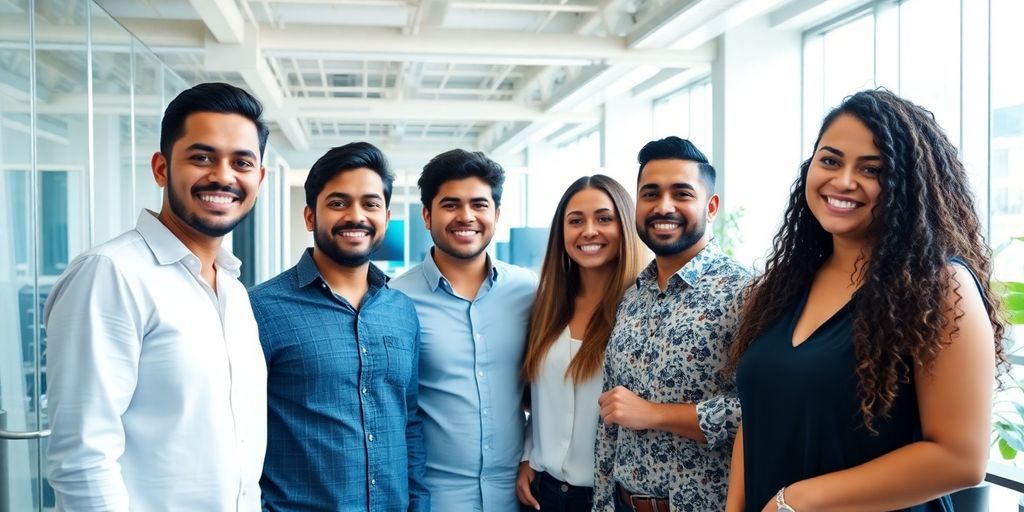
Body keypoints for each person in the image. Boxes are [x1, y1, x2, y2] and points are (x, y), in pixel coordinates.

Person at [725, 89, 1003, 512]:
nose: (843, 181)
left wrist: (797, 500)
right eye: (831, 160)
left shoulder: (941, 288)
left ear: (907, 186)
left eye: (872, 169)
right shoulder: (780, 287)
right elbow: (759, 415)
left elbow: (959, 460)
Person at [43, 82, 269, 511]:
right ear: (162, 168)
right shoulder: (111, 274)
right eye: (202, 157)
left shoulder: (236, 292)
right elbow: (82, 459)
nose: (223, 175)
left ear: (258, 178)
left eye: (241, 162)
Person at [249, 142, 427, 511]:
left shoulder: (402, 311)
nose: (356, 216)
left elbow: (408, 421)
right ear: (310, 217)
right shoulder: (259, 309)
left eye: (370, 203)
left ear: (386, 216)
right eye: (338, 202)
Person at [593, 136, 750, 512]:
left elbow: (764, 410)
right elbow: (611, 417)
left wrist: (655, 414)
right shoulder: (632, 296)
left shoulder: (747, 292)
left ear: (711, 206)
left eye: (681, 193)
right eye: (650, 194)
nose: (663, 206)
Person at [390, 149, 537, 512]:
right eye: (451, 205)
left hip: (518, 497)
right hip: (434, 499)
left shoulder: (529, 290)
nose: (466, 216)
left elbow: (546, 389)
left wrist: (532, 453)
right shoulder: (394, 299)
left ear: (497, 215)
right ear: (427, 215)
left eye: (479, 205)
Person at [515, 175, 645, 512]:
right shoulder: (546, 305)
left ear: (626, 227)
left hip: (608, 499)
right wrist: (529, 456)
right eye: (575, 221)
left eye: (604, 218)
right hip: (541, 495)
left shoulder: (642, 309)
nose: (588, 231)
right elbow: (541, 400)